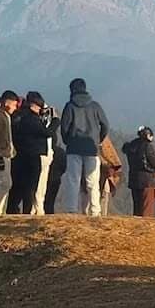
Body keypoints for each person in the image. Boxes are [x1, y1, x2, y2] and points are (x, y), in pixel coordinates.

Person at [59, 78, 110, 216]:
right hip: (91, 148)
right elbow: (105, 125)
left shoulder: (70, 106)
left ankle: (72, 209)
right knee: (93, 181)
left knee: (73, 179)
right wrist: (98, 139)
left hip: (74, 147)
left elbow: (64, 127)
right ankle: (95, 209)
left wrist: (68, 141)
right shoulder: (95, 106)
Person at [11, 92, 54, 216]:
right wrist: (55, 121)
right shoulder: (32, 119)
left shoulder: (17, 116)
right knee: (31, 187)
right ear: (33, 105)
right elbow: (47, 132)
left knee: (17, 187)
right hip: (32, 156)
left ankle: (12, 210)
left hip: (18, 156)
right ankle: (27, 211)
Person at [121, 126, 155, 217]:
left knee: (137, 208)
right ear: (148, 135)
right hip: (147, 181)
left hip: (134, 180)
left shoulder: (131, 146)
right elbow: (154, 163)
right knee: (147, 209)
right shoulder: (147, 146)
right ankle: (146, 229)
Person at [98, 135, 123, 216]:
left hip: (105, 173)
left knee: (104, 194)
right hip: (96, 170)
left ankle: (101, 216)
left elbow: (111, 157)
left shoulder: (103, 138)